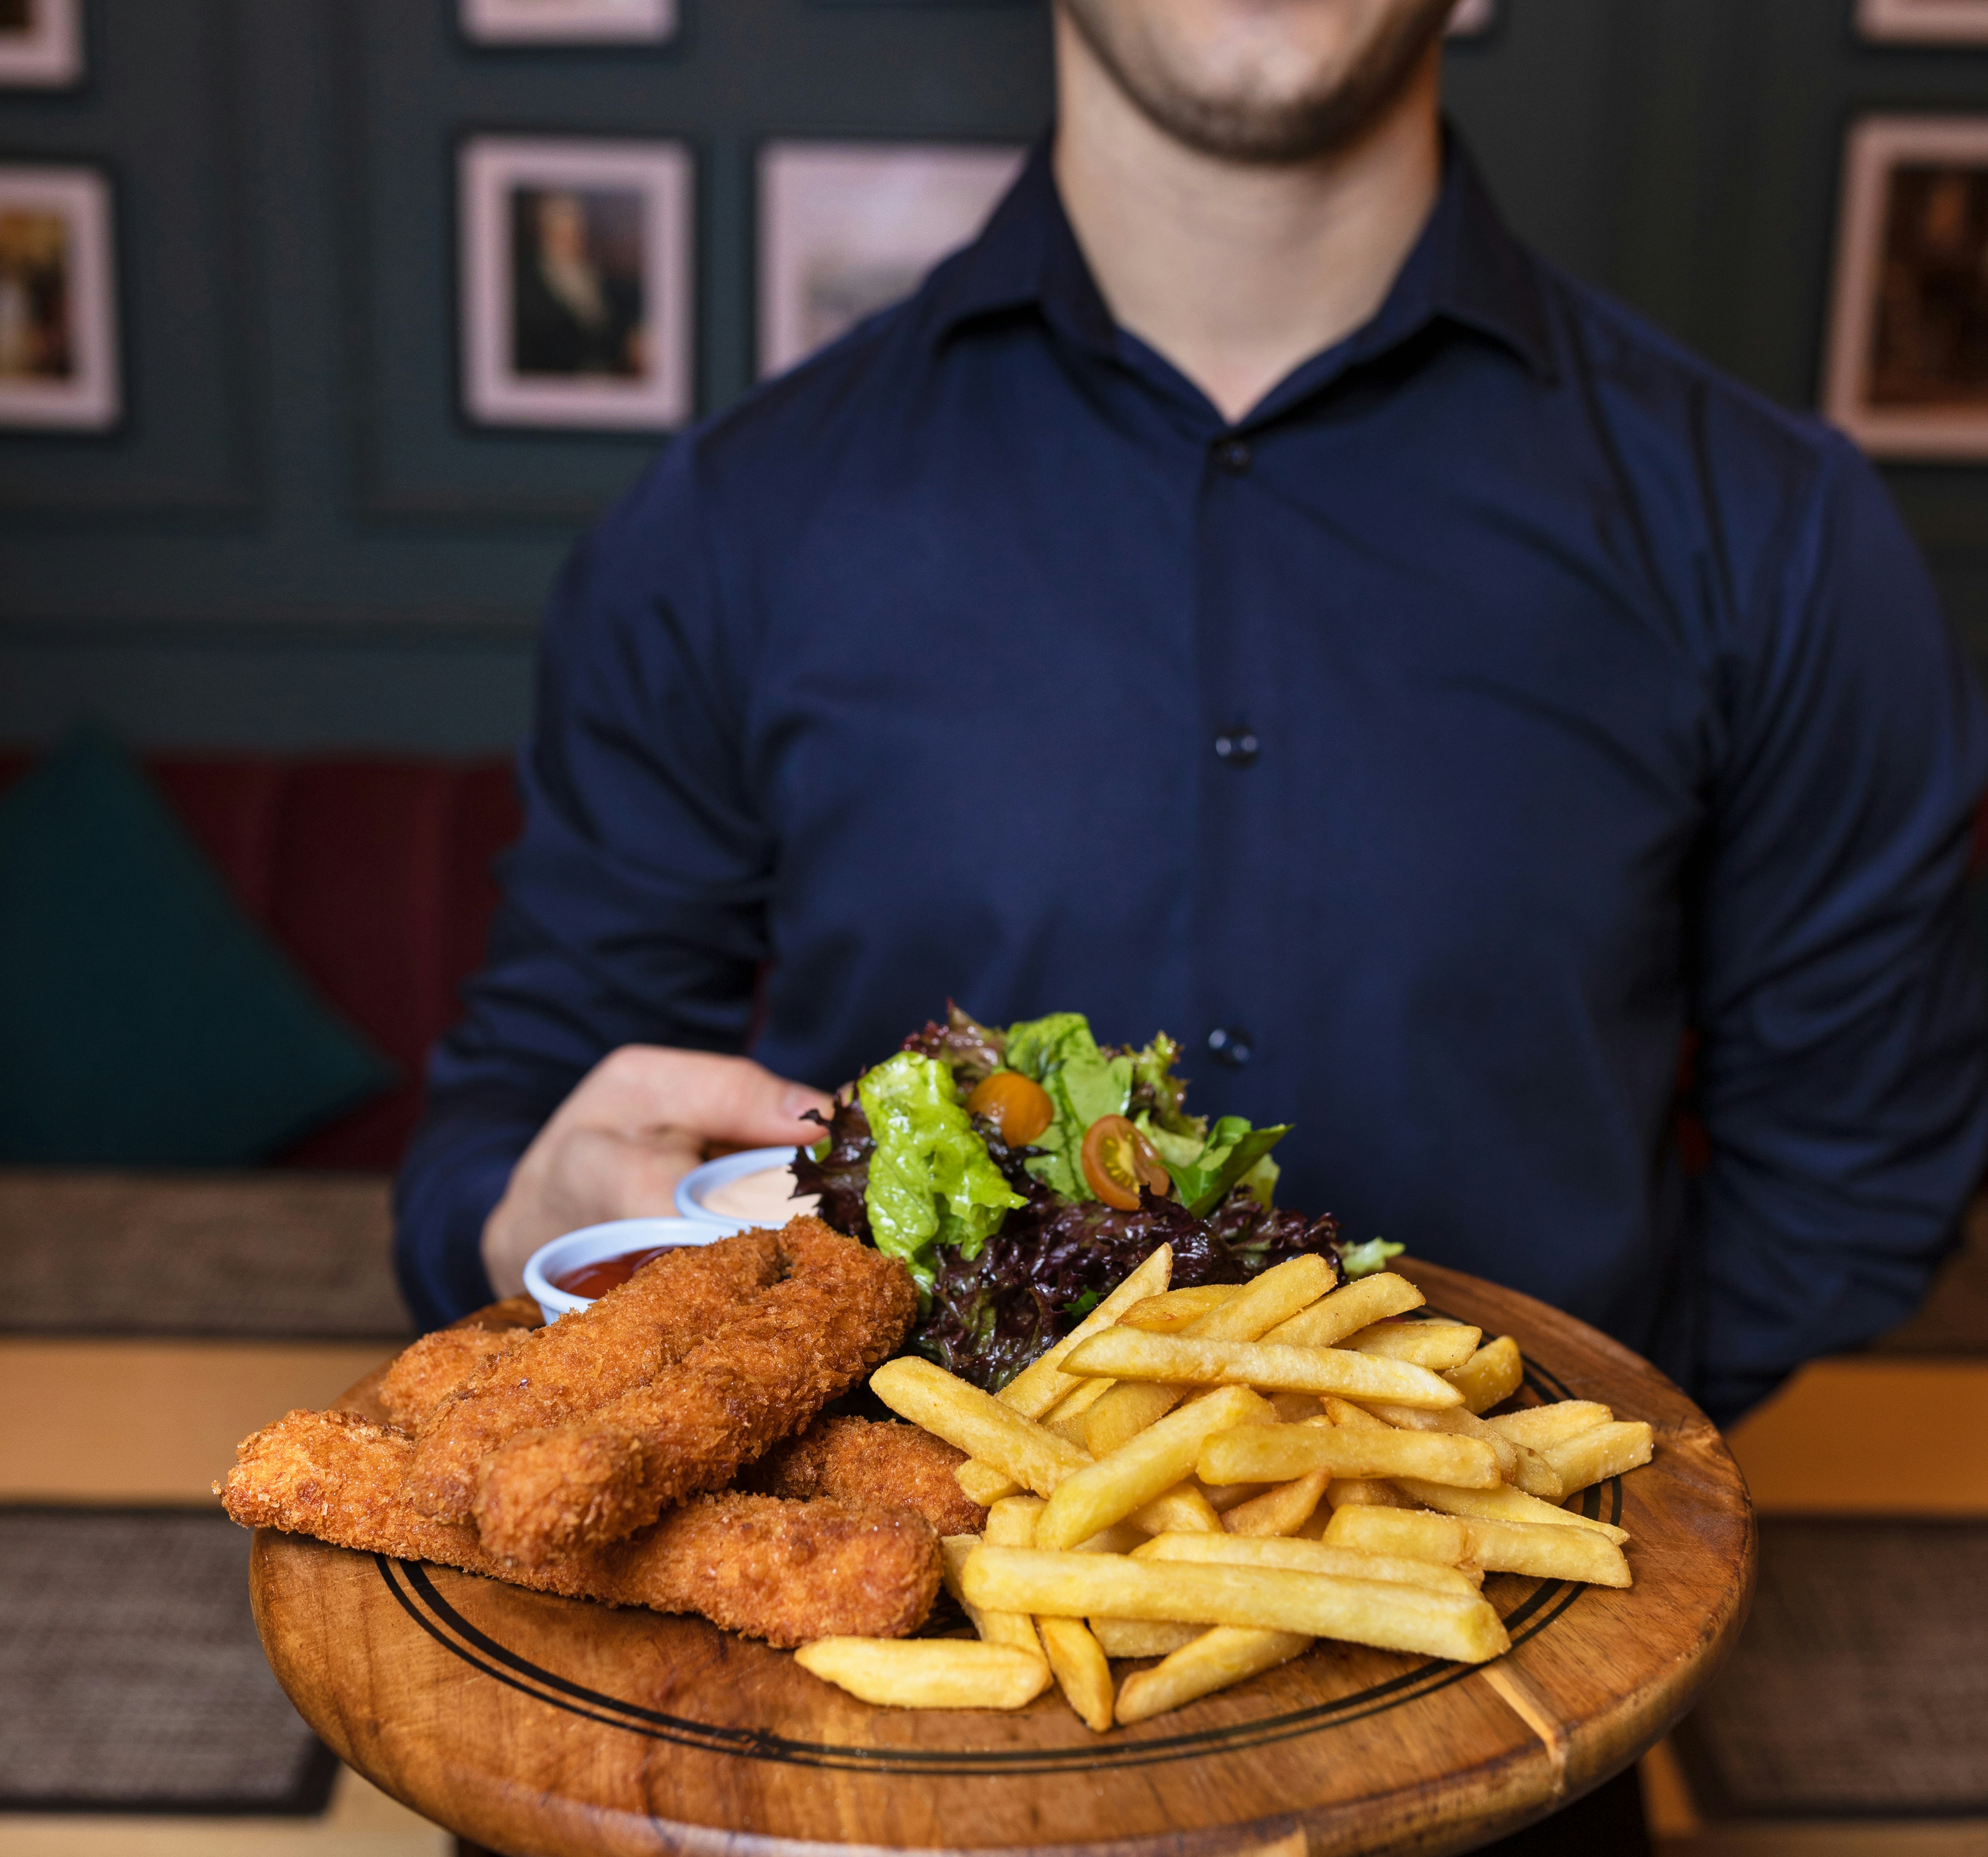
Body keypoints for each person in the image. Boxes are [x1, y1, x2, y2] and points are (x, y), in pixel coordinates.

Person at [398, 4, 1988, 1839]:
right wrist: (534, 1210)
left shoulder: (1776, 531)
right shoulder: (730, 517)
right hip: (866, 1758)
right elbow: (499, 1133)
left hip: (1511, 1748)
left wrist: (1525, 1421)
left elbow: (1857, 1186)